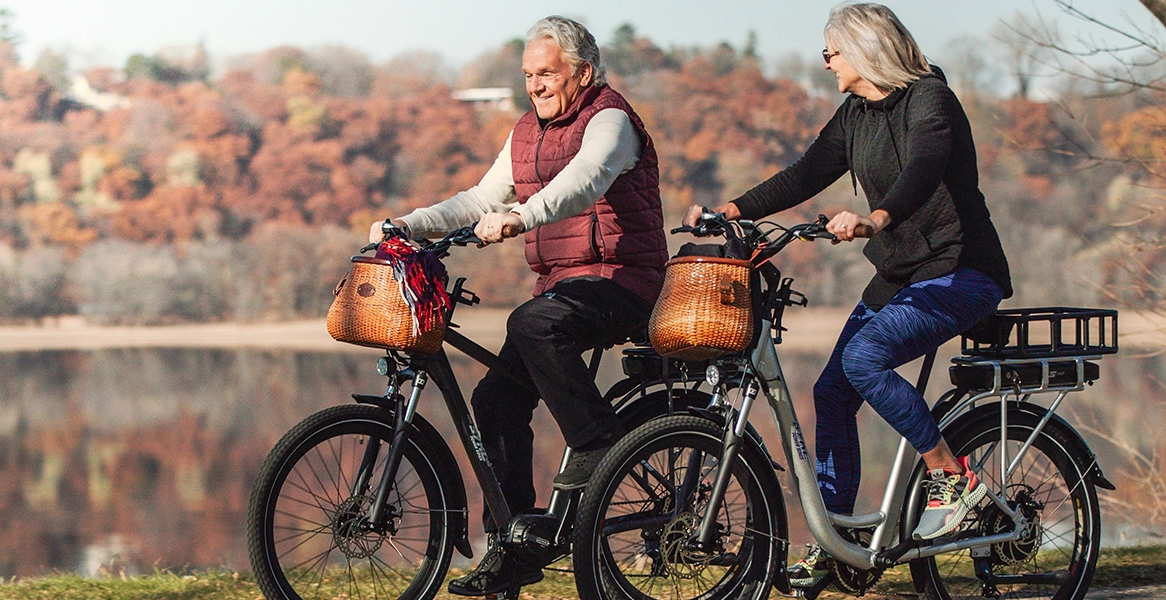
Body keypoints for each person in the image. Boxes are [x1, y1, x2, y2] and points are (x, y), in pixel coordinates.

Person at [682, 2, 1013, 589]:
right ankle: (837, 540)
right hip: (901, 274)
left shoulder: (930, 98)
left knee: (864, 360)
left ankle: (951, 476)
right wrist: (729, 210)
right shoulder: (856, 111)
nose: (826, 62)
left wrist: (876, 217)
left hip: (961, 271)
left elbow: (926, 165)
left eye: (831, 52)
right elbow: (807, 172)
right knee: (832, 391)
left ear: (865, 49)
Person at [368, 15, 666, 596]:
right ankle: (514, 546)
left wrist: (522, 216)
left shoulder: (611, 121)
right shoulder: (527, 132)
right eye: (528, 74)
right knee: (496, 399)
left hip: (624, 280)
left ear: (581, 72)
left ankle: (598, 444)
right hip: (560, 288)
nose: (534, 85)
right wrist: (410, 223)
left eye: (546, 73)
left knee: (532, 322)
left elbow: (585, 179)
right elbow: (481, 196)